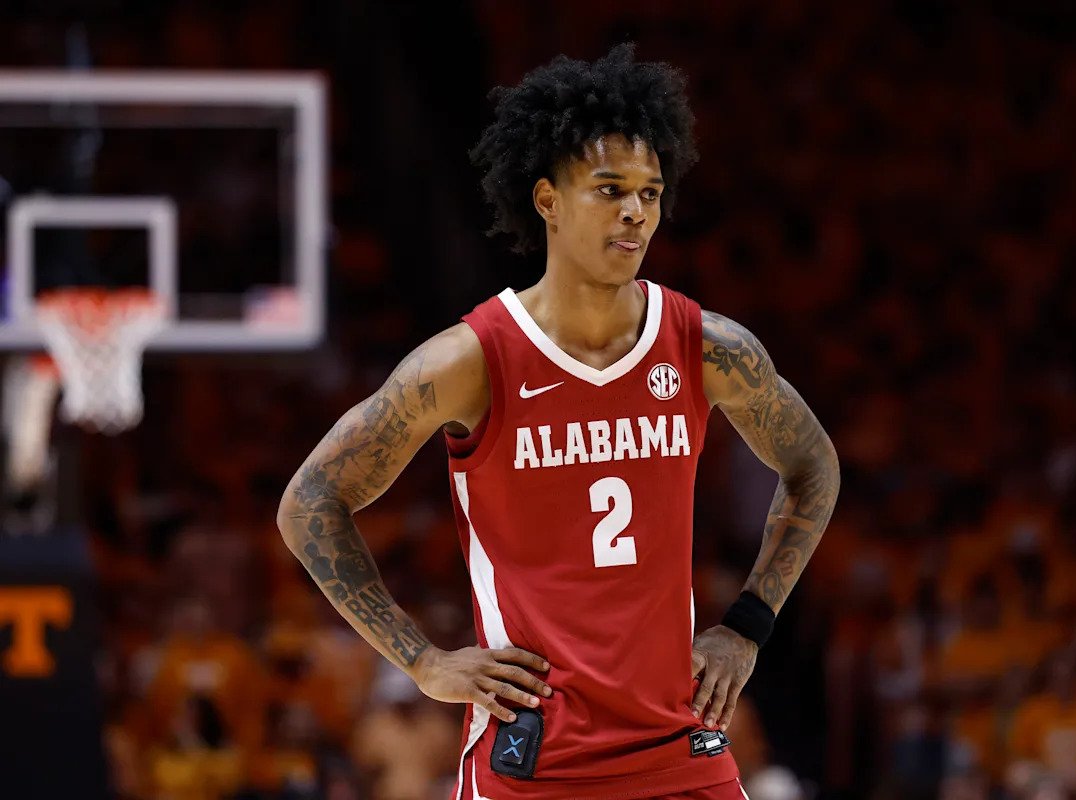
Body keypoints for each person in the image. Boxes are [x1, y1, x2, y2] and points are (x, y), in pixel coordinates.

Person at [277, 43, 840, 800]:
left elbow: (813, 465)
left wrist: (748, 623)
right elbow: (310, 503)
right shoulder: (470, 361)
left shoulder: (707, 347)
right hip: (535, 759)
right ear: (547, 200)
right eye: (609, 189)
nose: (636, 211)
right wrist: (422, 661)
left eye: (649, 191)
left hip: (681, 746)